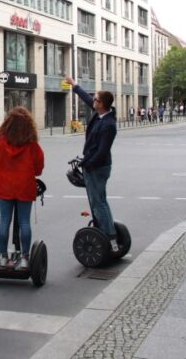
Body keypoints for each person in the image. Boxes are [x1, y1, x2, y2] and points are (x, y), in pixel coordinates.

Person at [64, 75, 119, 252]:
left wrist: (85, 164)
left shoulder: (108, 124)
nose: (93, 101)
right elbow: (87, 99)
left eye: (96, 99)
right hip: (94, 165)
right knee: (100, 201)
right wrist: (74, 85)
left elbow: (102, 152)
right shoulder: (100, 115)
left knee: (98, 203)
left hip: (97, 168)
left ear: (101, 104)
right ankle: (108, 232)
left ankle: (109, 237)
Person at [0, 107, 44, 269]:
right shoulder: (32, 144)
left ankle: (3, 256)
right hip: (24, 186)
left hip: (4, 185)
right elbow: (39, 167)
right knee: (24, 222)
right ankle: (25, 258)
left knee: (4, 220)